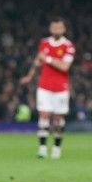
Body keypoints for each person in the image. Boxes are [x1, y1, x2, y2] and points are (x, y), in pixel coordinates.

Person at [20, 17, 75, 159]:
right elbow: (38, 60)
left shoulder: (68, 46)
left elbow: (65, 67)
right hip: (44, 86)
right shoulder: (44, 43)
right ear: (50, 29)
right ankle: (43, 148)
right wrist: (30, 75)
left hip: (61, 88)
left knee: (58, 119)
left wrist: (48, 59)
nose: (56, 30)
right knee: (43, 115)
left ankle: (56, 148)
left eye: (59, 28)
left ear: (64, 29)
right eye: (54, 27)